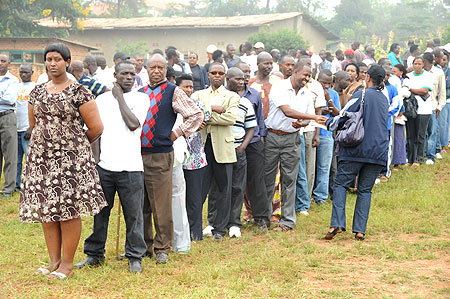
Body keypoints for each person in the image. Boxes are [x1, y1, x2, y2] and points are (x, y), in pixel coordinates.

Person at [19, 43, 106, 279]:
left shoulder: (80, 91)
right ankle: (53, 261)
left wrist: (73, 145)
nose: (52, 63)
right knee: (48, 209)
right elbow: (34, 125)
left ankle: (67, 264)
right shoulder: (36, 92)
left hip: (71, 161)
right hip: (41, 159)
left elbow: (96, 127)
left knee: (68, 210)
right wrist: (46, 147)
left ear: (67, 62)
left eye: (57, 59)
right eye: (49, 59)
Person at [76, 61, 149, 273]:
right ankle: (95, 254)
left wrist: (119, 98)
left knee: (133, 215)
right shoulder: (101, 100)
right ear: (115, 75)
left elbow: (133, 124)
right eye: (124, 74)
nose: (128, 77)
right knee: (100, 213)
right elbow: (94, 129)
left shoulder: (141, 98)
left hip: (131, 167)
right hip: (105, 167)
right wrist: (96, 159)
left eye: (132, 74)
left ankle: (135, 256)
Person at [139, 54, 202, 264]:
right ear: (146, 69)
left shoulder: (173, 91)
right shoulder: (140, 93)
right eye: (152, 67)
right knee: (141, 203)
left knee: (161, 203)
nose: (156, 71)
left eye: (161, 67)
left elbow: (195, 114)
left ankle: (163, 246)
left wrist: (177, 133)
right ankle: (144, 246)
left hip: (161, 154)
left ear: (166, 69)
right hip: (138, 154)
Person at [325, 65, 389, 241]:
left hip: (356, 148)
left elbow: (344, 115)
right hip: (377, 151)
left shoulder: (361, 95)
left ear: (367, 77)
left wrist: (328, 123)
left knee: (340, 185)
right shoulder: (384, 99)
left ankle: (336, 223)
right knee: (365, 190)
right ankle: (360, 231)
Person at [264, 61, 327, 231]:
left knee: (290, 179)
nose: (307, 78)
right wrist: (312, 118)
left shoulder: (306, 94)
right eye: (305, 74)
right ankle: (265, 219)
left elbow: (305, 118)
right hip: (273, 136)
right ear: (295, 72)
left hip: (292, 139)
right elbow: (287, 111)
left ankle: (287, 221)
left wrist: (302, 123)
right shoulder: (280, 87)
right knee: (268, 179)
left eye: (309, 76)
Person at [191, 63, 239, 241]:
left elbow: (230, 118)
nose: (217, 75)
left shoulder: (232, 96)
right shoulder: (198, 95)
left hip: (223, 148)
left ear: (224, 75)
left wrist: (204, 115)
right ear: (208, 75)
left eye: (220, 73)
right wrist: (212, 110)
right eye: (213, 73)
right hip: (201, 148)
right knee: (198, 190)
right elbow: (192, 114)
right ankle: (194, 229)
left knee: (223, 189)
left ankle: (220, 229)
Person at [208, 68, 256, 238]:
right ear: (227, 79)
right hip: (218, 148)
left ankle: (234, 222)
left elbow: (251, 127)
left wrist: (242, 147)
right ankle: (212, 221)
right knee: (216, 187)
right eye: (237, 79)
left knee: (237, 186)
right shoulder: (215, 99)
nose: (241, 82)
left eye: (243, 79)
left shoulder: (245, 102)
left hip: (237, 149)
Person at [236, 62, 270, 232]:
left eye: (248, 72)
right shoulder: (226, 95)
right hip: (233, 144)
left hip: (254, 142)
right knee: (234, 182)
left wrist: (261, 138)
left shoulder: (254, 94)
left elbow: (259, 120)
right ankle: (232, 220)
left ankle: (262, 219)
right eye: (242, 72)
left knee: (256, 181)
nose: (245, 76)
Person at [176, 74, 210, 241]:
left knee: (195, 198)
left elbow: (207, 115)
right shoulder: (172, 105)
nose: (189, 90)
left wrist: (199, 119)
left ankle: (195, 233)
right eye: (185, 87)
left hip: (195, 158)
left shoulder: (197, 104)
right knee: (176, 197)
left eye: (191, 87)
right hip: (176, 157)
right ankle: (178, 232)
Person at [311, 69, 340, 205]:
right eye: (323, 83)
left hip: (326, 135)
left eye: (329, 83)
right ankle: (309, 194)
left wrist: (328, 99)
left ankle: (321, 197)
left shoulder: (333, 94)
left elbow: (337, 114)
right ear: (317, 80)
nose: (326, 86)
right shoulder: (310, 92)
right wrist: (319, 111)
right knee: (310, 167)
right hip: (311, 132)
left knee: (324, 167)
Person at [404, 56, 434, 166]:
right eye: (415, 64)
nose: (417, 66)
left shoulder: (428, 76)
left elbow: (425, 90)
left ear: (423, 64)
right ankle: (410, 158)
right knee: (410, 134)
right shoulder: (409, 76)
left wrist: (411, 90)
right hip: (411, 109)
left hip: (424, 109)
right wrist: (418, 91)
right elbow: (405, 89)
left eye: (419, 64)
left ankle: (419, 158)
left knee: (420, 134)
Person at [0, 54, 19, 198]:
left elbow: (10, 99)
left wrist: (4, 98)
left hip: (7, 117)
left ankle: (8, 189)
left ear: (9, 63)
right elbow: (4, 98)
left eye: (3, 61)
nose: (0, 63)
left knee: (10, 155)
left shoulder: (13, 80)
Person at [15, 63, 35, 192]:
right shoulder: (16, 87)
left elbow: (37, 110)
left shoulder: (35, 88)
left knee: (29, 159)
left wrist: (31, 128)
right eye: (21, 72)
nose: (23, 74)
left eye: (26, 72)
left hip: (27, 131)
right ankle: (17, 185)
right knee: (16, 161)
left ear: (32, 72)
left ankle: (30, 185)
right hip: (15, 129)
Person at [425, 50, 446, 164]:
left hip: (433, 106)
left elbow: (442, 91)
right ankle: (422, 153)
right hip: (420, 108)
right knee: (422, 132)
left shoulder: (438, 73)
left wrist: (439, 107)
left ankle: (430, 155)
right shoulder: (419, 72)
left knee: (432, 132)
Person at [391, 64, 408, 170]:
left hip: (397, 111)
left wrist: (400, 110)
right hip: (391, 111)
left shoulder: (399, 81)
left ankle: (398, 161)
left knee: (398, 136)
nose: (393, 74)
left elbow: (399, 97)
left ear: (401, 72)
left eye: (394, 72)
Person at [437, 52, 450, 150]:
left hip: (446, 100)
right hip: (435, 100)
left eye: (445, 59)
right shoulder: (436, 70)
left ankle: (443, 145)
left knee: (443, 123)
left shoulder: (448, 72)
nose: (443, 61)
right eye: (442, 59)